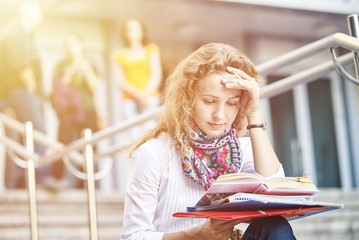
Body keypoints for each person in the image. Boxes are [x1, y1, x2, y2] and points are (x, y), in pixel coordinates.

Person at [121, 43, 297, 239]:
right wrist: (195, 235)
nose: (219, 115)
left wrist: (254, 114)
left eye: (231, 103)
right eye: (209, 101)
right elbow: (132, 236)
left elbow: (275, 189)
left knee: (275, 226)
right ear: (188, 98)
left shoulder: (243, 149)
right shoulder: (155, 152)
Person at [0, 1, 47, 188]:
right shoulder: (19, 34)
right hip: (22, 92)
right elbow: (22, 66)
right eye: (38, 11)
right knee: (38, 133)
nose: (41, 15)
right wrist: (32, 90)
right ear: (26, 13)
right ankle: (42, 177)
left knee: (18, 138)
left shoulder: (19, 34)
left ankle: (16, 182)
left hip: (13, 95)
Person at [49, 33, 100, 189]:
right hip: (68, 113)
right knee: (63, 144)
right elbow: (59, 88)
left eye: (74, 43)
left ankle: (88, 184)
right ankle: (56, 179)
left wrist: (85, 68)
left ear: (81, 45)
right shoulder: (61, 65)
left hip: (88, 110)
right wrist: (70, 72)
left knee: (90, 148)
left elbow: (94, 87)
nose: (71, 47)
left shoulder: (90, 63)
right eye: (68, 44)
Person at [113, 18, 162, 141]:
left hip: (150, 98)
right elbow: (120, 81)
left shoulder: (151, 49)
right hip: (129, 101)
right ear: (125, 33)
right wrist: (139, 96)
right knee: (134, 138)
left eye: (136, 29)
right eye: (129, 30)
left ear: (142, 32)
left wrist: (144, 96)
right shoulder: (119, 55)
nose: (132, 33)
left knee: (150, 135)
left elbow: (156, 75)